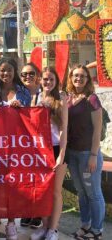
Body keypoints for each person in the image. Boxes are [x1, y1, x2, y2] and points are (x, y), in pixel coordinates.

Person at [0, 57, 31, 240]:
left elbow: (31, 117)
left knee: (14, 186)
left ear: (15, 72)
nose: (6, 73)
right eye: (2, 70)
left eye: (9, 70)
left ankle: (11, 224)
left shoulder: (22, 91)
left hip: (17, 146)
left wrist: (22, 110)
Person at [66, 65, 105, 240]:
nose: (78, 79)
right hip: (73, 153)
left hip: (88, 154)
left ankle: (97, 230)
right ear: (71, 78)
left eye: (82, 76)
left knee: (94, 193)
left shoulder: (92, 99)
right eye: (75, 76)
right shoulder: (69, 98)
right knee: (81, 192)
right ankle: (85, 225)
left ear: (88, 79)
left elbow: (97, 130)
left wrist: (94, 155)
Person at [30, 67, 68, 240]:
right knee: (42, 190)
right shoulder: (35, 98)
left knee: (55, 191)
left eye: (51, 79)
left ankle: (53, 229)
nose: (48, 82)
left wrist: (61, 154)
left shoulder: (61, 100)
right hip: (40, 149)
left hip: (55, 148)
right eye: (45, 79)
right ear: (40, 80)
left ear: (56, 81)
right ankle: (44, 226)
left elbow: (63, 129)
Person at [19, 63, 42, 229]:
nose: (27, 77)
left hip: (42, 144)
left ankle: (38, 213)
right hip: (23, 144)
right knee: (26, 179)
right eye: (24, 74)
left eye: (31, 74)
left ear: (37, 75)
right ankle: (27, 211)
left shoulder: (45, 93)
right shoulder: (19, 94)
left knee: (40, 180)